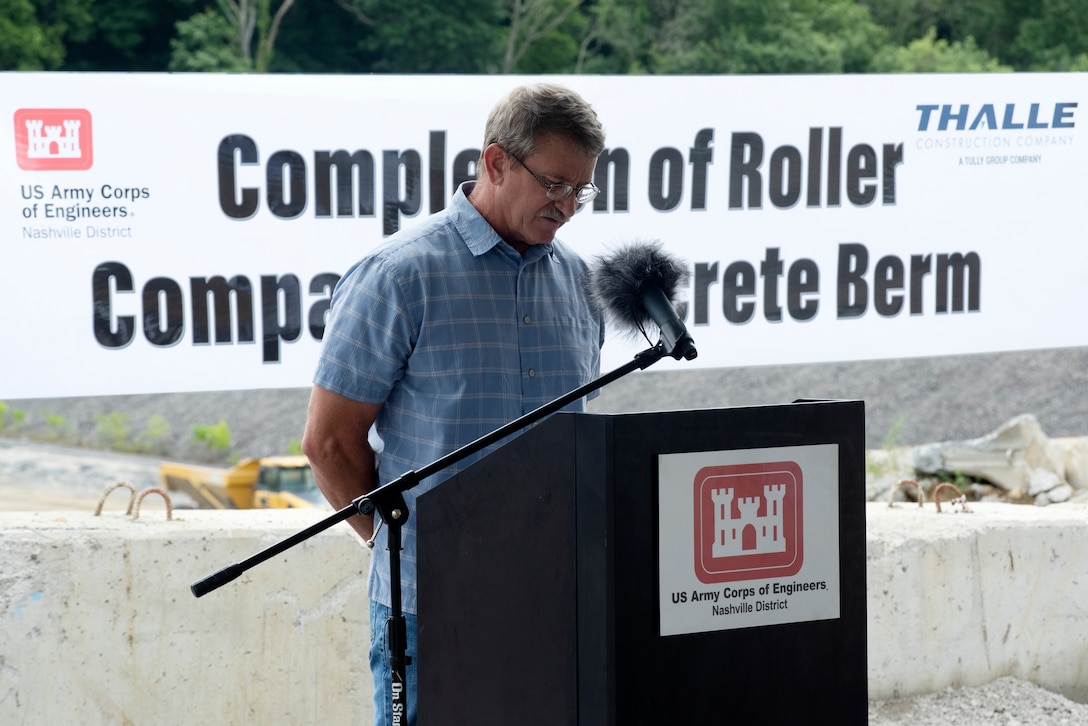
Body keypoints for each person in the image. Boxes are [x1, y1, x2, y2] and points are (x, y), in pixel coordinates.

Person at [301, 82, 607, 726]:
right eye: (555, 184)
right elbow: (329, 445)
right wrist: (395, 544)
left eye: (581, 190)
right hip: (430, 607)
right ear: (496, 163)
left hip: (552, 600)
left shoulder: (581, 282)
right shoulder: (398, 274)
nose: (568, 206)